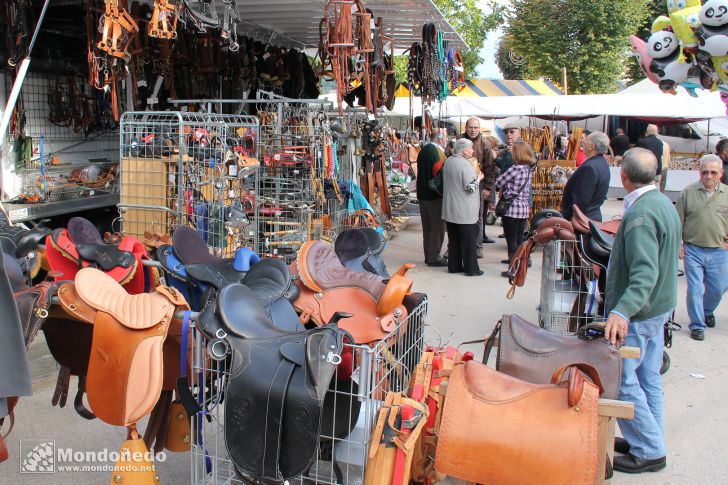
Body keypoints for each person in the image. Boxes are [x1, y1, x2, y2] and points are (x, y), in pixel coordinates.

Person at [604, 147, 680, 474]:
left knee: (623, 379)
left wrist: (621, 311)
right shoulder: (661, 202)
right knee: (648, 377)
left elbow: (644, 274)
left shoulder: (642, 215)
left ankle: (649, 448)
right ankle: (650, 440)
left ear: (623, 175)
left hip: (642, 312)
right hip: (658, 307)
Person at [675, 154, 728, 341]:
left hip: (719, 251)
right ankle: (697, 325)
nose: (709, 176)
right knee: (695, 288)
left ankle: (707, 311)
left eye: (714, 172)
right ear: (699, 172)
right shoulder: (688, 192)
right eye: (705, 172)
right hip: (693, 249)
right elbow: (678, 221)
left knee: (719, 287)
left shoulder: (727, 194)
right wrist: (679, 244)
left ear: (721, 174)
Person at [441, 138, 482, 276]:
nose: (472, 151)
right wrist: (478, 179)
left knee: (454, 241)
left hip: (450, 208)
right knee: (469, 241)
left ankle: (454, 266)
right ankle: (471, 269)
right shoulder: (465, 165)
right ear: (465, 151)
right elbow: (470, 188)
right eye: (471, 148)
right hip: (464, 210)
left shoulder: (449, 161)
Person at [494, 140, 534, 275]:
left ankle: (513, 270)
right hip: (522, 209)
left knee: (511, 241)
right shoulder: (528, 169)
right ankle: (520, 265)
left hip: (511, 208)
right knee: (519, 240)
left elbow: (498, 182)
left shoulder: (515, 169)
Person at [461, 118, 497, 256]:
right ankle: (455, 246)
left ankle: (477, 247)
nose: (473, 130)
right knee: (459, 215)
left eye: (476, 127)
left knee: (477, 216)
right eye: (471, 127)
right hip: (460, 183)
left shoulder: (485, 144)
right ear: (466, 127)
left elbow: (490, 168)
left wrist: (487, 188)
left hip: (479, 183)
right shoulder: (459, 140)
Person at [416, 127, 448, 267]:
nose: (446, 139)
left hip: (423, 194)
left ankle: (429, 255)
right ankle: (434, 257)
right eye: (445, 137)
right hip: (434, 196)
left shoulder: (424, 150)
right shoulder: (437, 153)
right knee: (437, 228)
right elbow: (439, 175)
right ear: (440, 137)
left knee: (427, 227)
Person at [560, 132, 611, 221]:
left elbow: (581, 200)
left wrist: (567, 218)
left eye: (586, 141)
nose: (583, 143)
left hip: (583, 220)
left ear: (591, 146)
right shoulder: (602, 163)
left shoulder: (590, 167)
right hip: (592, 216)